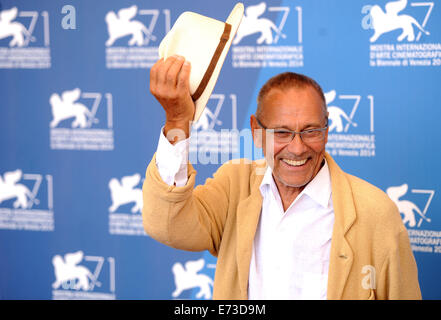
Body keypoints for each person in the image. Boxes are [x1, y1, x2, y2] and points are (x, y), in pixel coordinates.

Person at [142, 55, 422, 300]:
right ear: (256, 130)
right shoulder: (235, 186)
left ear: (326, 130)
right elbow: (167, 224)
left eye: (311, 130)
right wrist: (177, 120)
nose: (298, 148)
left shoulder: (375, 212)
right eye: (282, 133)